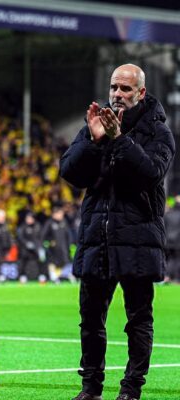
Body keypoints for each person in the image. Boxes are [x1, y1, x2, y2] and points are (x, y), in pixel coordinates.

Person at [60, 64, 175, 400]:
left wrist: (119, 139)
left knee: (138, 320)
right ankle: (90, 388)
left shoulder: (158, 132)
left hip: (138, 238)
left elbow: (150, 173)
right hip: (97, 237)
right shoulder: (96, 124)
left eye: (126, 89)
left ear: (141, 92)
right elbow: (70, 172)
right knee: (90, 319)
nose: (118, 94)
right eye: (114, 87)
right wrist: (93, 141)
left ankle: (131, 389)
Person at [16, 211, 46, 284]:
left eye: (30, 218)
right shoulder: (23, 226)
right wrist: (27, 244)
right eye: (28, 218)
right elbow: (20, 237)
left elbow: (41, 237)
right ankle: (22, 276)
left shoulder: (38, 226)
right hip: (25, 248)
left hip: (36, 247)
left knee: (41, 261)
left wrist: (39, 246)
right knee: (23, 262)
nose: (29, 220)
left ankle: (42, 276)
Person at [163, 195, 180, 282]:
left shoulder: (168, 215)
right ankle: (176, 277)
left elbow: (164, 228)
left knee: (169, 259)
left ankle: (167, 276)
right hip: (178, 242)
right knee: (177, 259)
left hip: (167, 241)